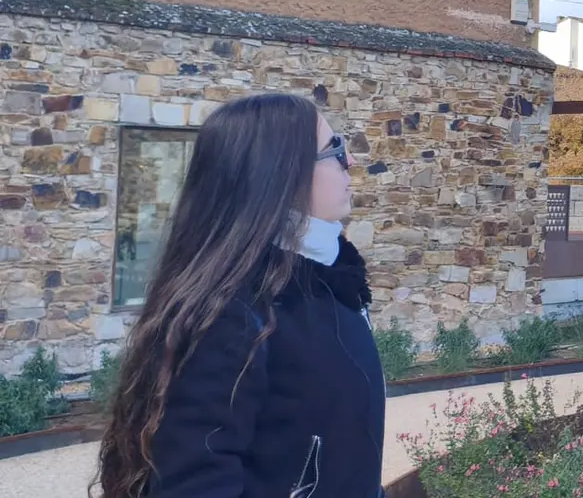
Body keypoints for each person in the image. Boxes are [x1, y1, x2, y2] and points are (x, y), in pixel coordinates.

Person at [97, 93, 386, 498]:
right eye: (333, 148)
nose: (350, 161)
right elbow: (195, 482)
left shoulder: (330, 283)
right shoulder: (232, 313)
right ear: (280, 171)